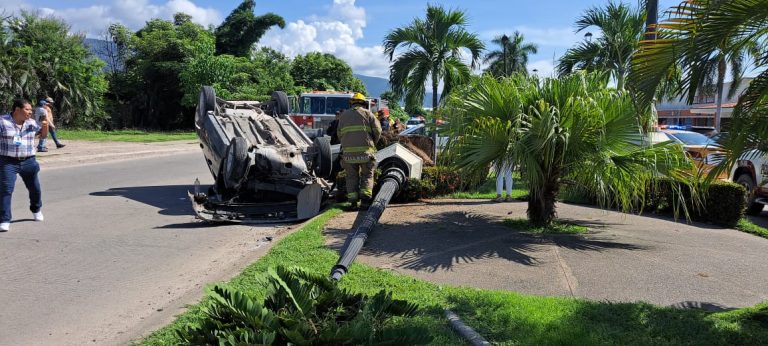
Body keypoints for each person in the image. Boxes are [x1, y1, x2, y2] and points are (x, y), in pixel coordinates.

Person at [0, 99, 48, 232]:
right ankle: (4, 219)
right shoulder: (3, 121)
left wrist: (45, 126)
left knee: (35, 188)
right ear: (17, 110)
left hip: (29, 161)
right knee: (5, 190)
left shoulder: (31, 123)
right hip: (8, 161)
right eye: (27, 109)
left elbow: (43, 136)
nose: (30, 112)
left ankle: (36, 209)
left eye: (31, 110)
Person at [338, 93, 381, 209]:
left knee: (351, 177)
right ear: (363, 103)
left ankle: (352, 203)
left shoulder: (343, 116)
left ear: (351, 103)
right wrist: (373, 143)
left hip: (348, 155)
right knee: (367, 175)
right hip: (366, 153)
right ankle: (365, 202)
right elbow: (378, 131)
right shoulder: (368, 114)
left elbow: (339, 134)